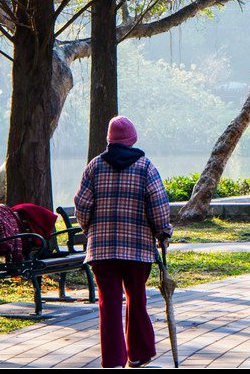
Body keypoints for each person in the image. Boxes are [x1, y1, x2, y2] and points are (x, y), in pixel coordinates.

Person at [75, 115, 173, 369]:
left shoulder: (94, 166)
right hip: (138, 249)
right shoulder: (145, 167)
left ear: (109, 139)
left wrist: (91, 231)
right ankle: (138, 354)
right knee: (136, 298)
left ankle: (113, 360)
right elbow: (159, 206)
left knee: (108, 304)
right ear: (133, 139)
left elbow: (82, 205)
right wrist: (163, 231)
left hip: (102, 250)